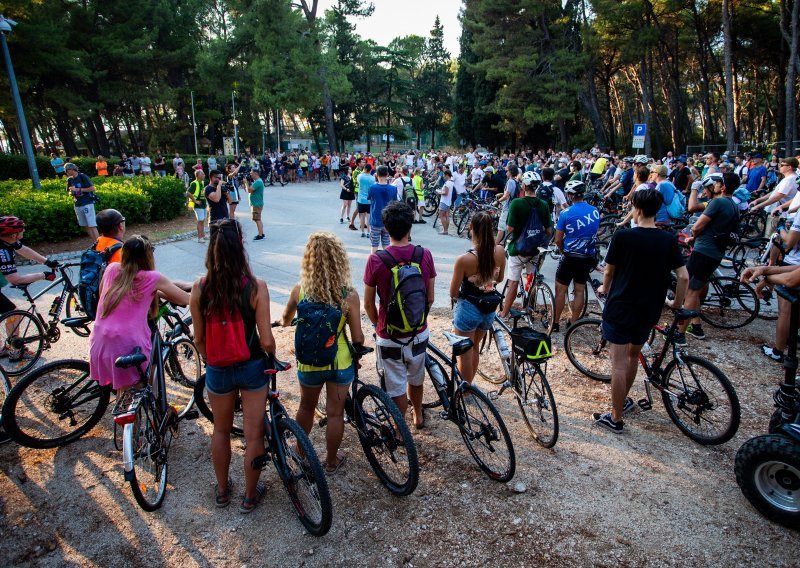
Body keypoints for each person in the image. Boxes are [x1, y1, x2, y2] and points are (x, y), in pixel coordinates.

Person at [189, 219, 276, 513]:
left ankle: (223, 490)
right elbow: (266, 339)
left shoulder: (199, 288)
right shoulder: (255, 287)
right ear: (241, 246)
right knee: (253, 434)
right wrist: (272, 356)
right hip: (252, 366)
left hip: (218, 369)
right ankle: (251, 496)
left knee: (221, 430)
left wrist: (212, 357)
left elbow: (198, 338)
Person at [592, 189, 689, 433]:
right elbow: (683, 276)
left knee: (617, 364)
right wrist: (675, 303)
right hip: (649, 307)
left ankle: (615, 417)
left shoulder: (624, 236)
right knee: (633, 356)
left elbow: (609, 271)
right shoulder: (668, 239)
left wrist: (604, 287)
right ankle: (622, 401)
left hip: (621, 305)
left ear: (636, 208)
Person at [278, 232, 364, 473]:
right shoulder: (349, 295)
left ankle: (300, 451)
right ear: (340, 260)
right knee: (335, 414)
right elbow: (357, 337)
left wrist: (284, 321)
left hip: (310, 364)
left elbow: (286, 320)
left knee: (306, 407)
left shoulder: (300, 290)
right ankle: (331, 461)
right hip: (340, 363)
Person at [89, 235, 190, 396]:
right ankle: (137, 420)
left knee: (124, 393)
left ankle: (125, 420)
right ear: (148, 256)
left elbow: (104, 295)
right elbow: (184, 299)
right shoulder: (153, 277)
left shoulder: (111, 269)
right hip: (129, 343)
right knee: (136, 393)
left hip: (100, 339)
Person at [364, 201, 435, 429]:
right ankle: (418, 415)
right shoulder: (425, 255)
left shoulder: (376, 260)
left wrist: (380, 326)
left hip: (389, 335)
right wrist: (417, 319)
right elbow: (430, 298)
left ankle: (399, 428)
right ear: (410, 226)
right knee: (416, 378)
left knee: (395, 386)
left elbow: (368, 304)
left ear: (385, 228)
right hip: (418, 332)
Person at [677, 173, 739, 344]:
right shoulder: (733, 205)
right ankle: (696, 325)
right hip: (716, 252)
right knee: (697, 289)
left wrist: (692, 237)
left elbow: (697, 226)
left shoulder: (718, 202)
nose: (716, 185)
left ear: (723, 186)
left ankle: (680, 334)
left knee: (690, 292)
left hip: (704, 250)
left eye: (719, 182)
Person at [450, 211, 506, 383]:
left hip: (469, 308)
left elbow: (453, 292)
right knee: (474, 349)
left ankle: (465, 392)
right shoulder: (500, 251)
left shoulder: (464, 259)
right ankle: (470, 386)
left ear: (471, 227)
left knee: (465, 353)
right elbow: (500, 278)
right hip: (489, 309)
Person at [0, 217, 59, 358]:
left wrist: (47, 261)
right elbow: (15, 279)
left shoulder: (7, 240)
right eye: (21, 230)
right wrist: (43, 275)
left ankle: (5, 349)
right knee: (14, 313)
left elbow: (24, 250)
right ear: (13, 235)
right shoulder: (3, 252)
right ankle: (15, 350)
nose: (24, 231)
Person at [499, 178, 553, 318]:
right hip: (535, 249)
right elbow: (548, 230)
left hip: (518, 249)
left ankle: (504, 312)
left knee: (513, 282)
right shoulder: (544, 204)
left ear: (523, 186)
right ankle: (530, 309)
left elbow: (510, 228)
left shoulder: (517, 203)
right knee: (531, 278)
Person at [552, 181, 600, 332]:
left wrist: (562, 250)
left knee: (560, 290)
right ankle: (573, 323)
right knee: (579, 290)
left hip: (570, 256)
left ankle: (555, 323)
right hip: (587, 256)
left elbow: (558, 239)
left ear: (571, 195)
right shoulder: (595, 211)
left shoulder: (566, 213)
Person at [65, 163, 100, 240]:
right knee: (85, 225)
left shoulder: (82, 176)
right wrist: (71, 192)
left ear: (71, 170)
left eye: (67, 171)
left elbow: (92, 188)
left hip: (87, 202)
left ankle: (99, 243)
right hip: (77, 204)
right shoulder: (69, 180)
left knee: (92, 225)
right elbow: (68, 191)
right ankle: (95, 242)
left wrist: (78, 189)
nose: (66, 173)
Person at [368, 165, 397, 253]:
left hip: (375, 220)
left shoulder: (372, 188)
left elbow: (369, 199)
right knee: (387, 246)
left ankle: (373, 265)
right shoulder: (393, 188)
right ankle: (387, 265)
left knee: (374, 246)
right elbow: (395, 203)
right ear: (387, 174)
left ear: (376, 174)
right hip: (388, 221)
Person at [495, 163, 520, 244]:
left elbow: (506, 196)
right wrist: (501, 194)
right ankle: (502, 244)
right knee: (506, 228)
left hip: (507, 208)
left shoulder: (510, 181)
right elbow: (510, 194)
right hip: (512, 207)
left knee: (501, 227)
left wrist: (497, 201)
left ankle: (495, 245)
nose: (506, 172)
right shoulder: (516, 182)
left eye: (507, 171)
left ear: (511, 172)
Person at [244, 168, 266, 241]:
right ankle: (261, 233)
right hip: (257, 203)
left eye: (251, 173)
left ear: (256, 173)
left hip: (256, 203)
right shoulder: (257, 181)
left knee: (257, 219)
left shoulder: (258, 182)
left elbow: (250, 190)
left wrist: (246, 182)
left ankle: (260, 235)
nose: (250, 174)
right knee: (258, 219)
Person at [187, 169, 208, 242]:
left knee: (203, 220)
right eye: (202, 174)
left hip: (203, 205)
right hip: (198, 206)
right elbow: (188, 193)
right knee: (200, 221)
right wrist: (195, 201)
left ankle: (203, 235)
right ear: (197, 175)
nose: (204, 175)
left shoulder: (201, 182)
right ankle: (200, 238)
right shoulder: (194, 183)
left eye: (204, 174)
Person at [355, 163, 375, 238]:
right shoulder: (372, 178)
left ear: (364, 169)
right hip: (369, 199)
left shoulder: (360, 176)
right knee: (368, 216)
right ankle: (368, 232)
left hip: (361, 199)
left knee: (362, 216)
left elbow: (358, 182)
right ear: (370, 170)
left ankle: (362, 231)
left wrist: (363, 172)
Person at [437, 169, 455, 236]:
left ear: (447, 175)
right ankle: (446, 230)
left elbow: (446, 193)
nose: (444, 176)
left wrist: (439, 192)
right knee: (446, 215)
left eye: (444, 175)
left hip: (444, 201)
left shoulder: (447, 183)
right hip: (448, 201)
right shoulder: (451, 182)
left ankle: (445, 230)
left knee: (442, 215)